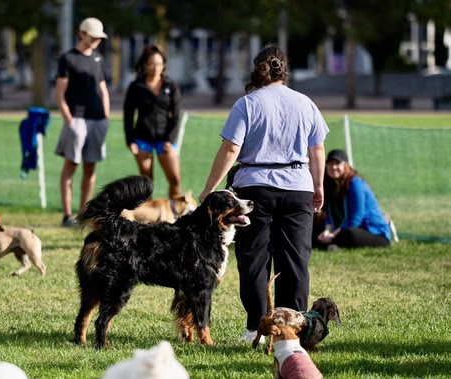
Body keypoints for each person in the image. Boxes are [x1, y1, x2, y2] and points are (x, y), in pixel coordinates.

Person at [198, 43, 329, 342]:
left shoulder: (247, 103)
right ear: (285, 70)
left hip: (255, 186)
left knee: (254, 261)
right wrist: (318, 185)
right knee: (295, 261)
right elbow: (317, 147)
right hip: (298, 185)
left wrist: (209, 189)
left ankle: (256, 328)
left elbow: (231, 148)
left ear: (257, 69)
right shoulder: (305, 103)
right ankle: (292, 327)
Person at [55, 17, 110, 227]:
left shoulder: (98, 58)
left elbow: (103, 88)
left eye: (99, 37)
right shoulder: (68, 59)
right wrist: (68, 118)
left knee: (90, 167)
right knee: (71, 165)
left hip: (98, 119)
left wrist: (105, 115)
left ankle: (84, 214)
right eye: (93, 36)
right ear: (82, 34)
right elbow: (60, 93)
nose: (97, 40)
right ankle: (67, 215)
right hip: (76, 118)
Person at [123, 44, 182, 198]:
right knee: (146, 182)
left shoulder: (171, 85)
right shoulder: (136, 86)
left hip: (165, 139)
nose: (156, 68)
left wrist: (170, 140)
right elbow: (128, 115)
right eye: (152, 64)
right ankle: (147, 218)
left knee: (175, 179)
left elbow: (175, 116)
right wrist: (130, 141)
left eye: (160, 64)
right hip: (143, 139)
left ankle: (175, 216)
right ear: (145, 65)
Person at [316, 149, 392, 250]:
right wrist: (327, 230)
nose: (333, 167)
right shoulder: (331, 185)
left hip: (373, 232)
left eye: (337, 163)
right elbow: (329, 213)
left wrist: (333, 234)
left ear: (346, 165)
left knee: (350, 234)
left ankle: (332, 243)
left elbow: (356, 218)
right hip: (344, 228)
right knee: (315, 229)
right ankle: (332, 243)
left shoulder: (356, 183)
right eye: (330, 163)